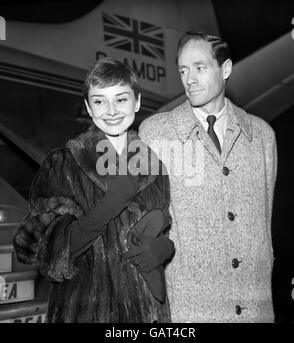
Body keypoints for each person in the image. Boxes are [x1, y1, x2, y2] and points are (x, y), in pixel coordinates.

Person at [13, 58, 174, 323]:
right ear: (88, 107)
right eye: (99, 101)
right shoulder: (63, 164)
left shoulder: (155, 168)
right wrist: (110, 205)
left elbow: (163, 228)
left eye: (121, 99)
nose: (111, 110)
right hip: (86, 312)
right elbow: (47, 256)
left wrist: (165, 247)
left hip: (149, 315)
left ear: (137, 102)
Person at [139, 31, 277, 322]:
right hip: (189, 312)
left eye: (199, 68)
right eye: (183, 70)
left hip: (256, 310)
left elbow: (263, 223)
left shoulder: (262, 136)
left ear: (225, 69)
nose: (189, 79)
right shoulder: (155, 133)